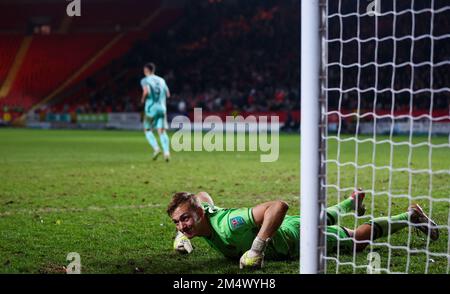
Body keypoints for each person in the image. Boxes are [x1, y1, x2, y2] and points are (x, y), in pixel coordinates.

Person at [167, 190, 439, 269]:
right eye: (178, 222)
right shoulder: (201, 215)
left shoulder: (229, 224)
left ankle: (411, 215)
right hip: (288, 229)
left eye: (186, 220)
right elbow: (201, 194)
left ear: (200, 214)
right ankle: (350, 202)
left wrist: (256, 248)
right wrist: (182, 232)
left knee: (356, 240)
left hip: (300, 239)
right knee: (318, 218)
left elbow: (278, 205)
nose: (183, 225)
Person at [140, 62, 171, 161]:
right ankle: (166, 152)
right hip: (162, 108)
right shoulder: (162, 80)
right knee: (162, 131)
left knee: (147, 129)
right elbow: (168, 94)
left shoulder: (145, 80)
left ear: (146, 70)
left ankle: (156, 149)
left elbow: (146, 91)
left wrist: (142, 100)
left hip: (151, 108)